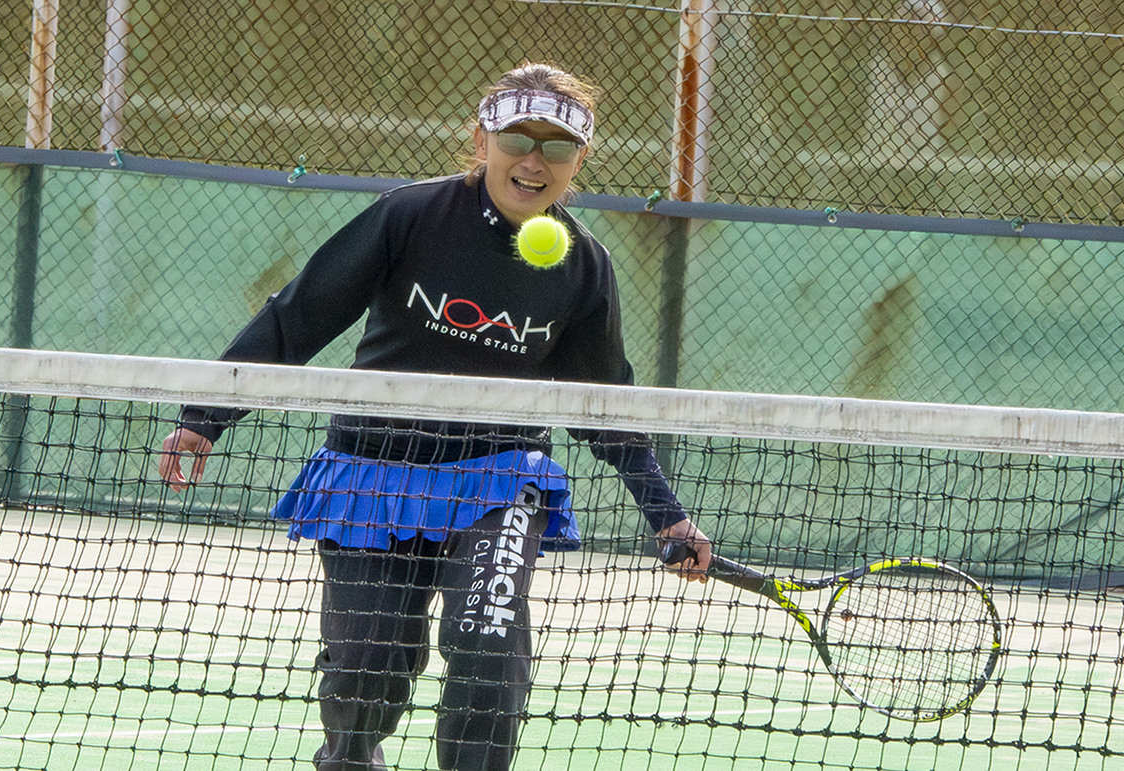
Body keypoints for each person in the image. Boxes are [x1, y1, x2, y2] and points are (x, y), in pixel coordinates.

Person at [157, 62, 713, 771]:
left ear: (579, 161)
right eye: (517, 139)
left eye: (557, 147)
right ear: (482, 141)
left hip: (499, 481)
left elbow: (603, 404)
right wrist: (204, 416)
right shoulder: (409, 215)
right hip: (372, 471)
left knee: (489, 649)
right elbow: (301, 314)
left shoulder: (584, 268)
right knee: (366, 668)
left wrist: (667, 514)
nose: (534, 161)